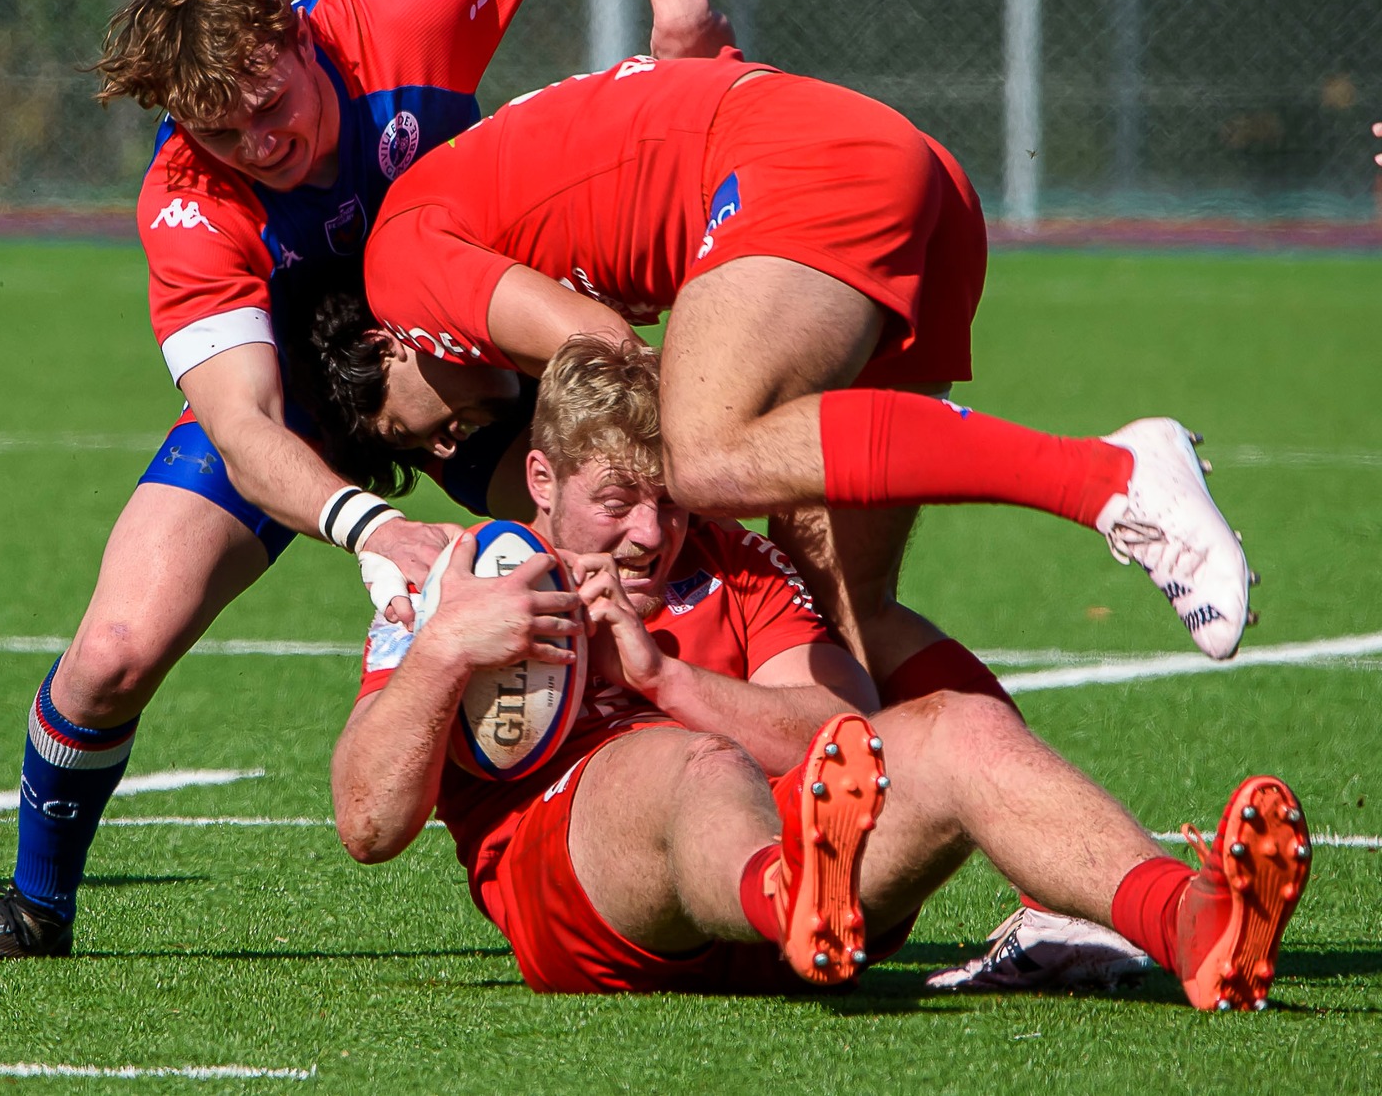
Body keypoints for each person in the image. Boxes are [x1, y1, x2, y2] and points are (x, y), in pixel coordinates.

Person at [0, 0, 734, 960]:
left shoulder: (404, 0)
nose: (260, 143)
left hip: (463, 359)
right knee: (111, 652)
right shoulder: (188, 201)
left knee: (665, 533)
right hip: (299, 399)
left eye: (267, 102)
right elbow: (241, 421)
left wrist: (676, 4)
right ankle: (38, 903)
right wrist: (374, 530)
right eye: (221, 130)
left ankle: (780, 793)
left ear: (292, 27)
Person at [331, 336, 1309, 1009]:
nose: (649, 532)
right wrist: (445, 650)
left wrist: (663, 678)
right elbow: (367, 823)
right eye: (616, 501)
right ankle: (790, 892)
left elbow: (834, 737)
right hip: (590, 917)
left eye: (668, 501)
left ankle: (1195, 924)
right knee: (689, 764)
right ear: (542, 480)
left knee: (952, 727)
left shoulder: (733, 561)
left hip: (801, 906)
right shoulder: (460, 581)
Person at [343, 53, 1254, 675]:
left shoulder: (397, 271)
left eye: (414, 428)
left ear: (386, 343)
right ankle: (1071, 895)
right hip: (895, 170)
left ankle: (1111, 474)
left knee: (704, 454)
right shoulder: (479, 214)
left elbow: (609, 352)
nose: (450, 437)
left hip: (804, 169)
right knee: (848, 616)